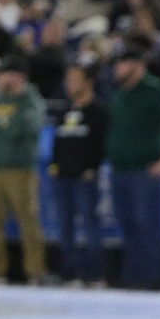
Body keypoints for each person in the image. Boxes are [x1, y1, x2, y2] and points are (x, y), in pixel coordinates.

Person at [105, 42, 160, 291]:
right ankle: (134, 276)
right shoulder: (121, 93)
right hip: (121, 169)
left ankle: (154, 277)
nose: (116, 68)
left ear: (137, 65)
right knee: (127, 223)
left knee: (145, 223)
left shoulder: (153, 89)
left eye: (122, 63)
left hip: (144, 170)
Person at [0, 54, 48, 284]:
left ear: (19, 77)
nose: (4, 79)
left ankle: (35, 270)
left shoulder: (31, 100)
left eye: (8, 75)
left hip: (21, 170)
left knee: (28, 220)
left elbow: (28, 126)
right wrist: (6, 125)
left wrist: (1, 126)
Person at [50, 62, 108, 288]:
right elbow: (58, 141)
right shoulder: (64, 111)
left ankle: (95, 274)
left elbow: (101, 143)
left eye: (75, 79)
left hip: (85, 177)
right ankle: (70, 272)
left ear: (87, 83)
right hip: (62, 176)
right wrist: (55, 165)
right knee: (65, 226)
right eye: (68, 79)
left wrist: (92, 167)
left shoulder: (98, 111)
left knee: (90, 225)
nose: (70, 84)